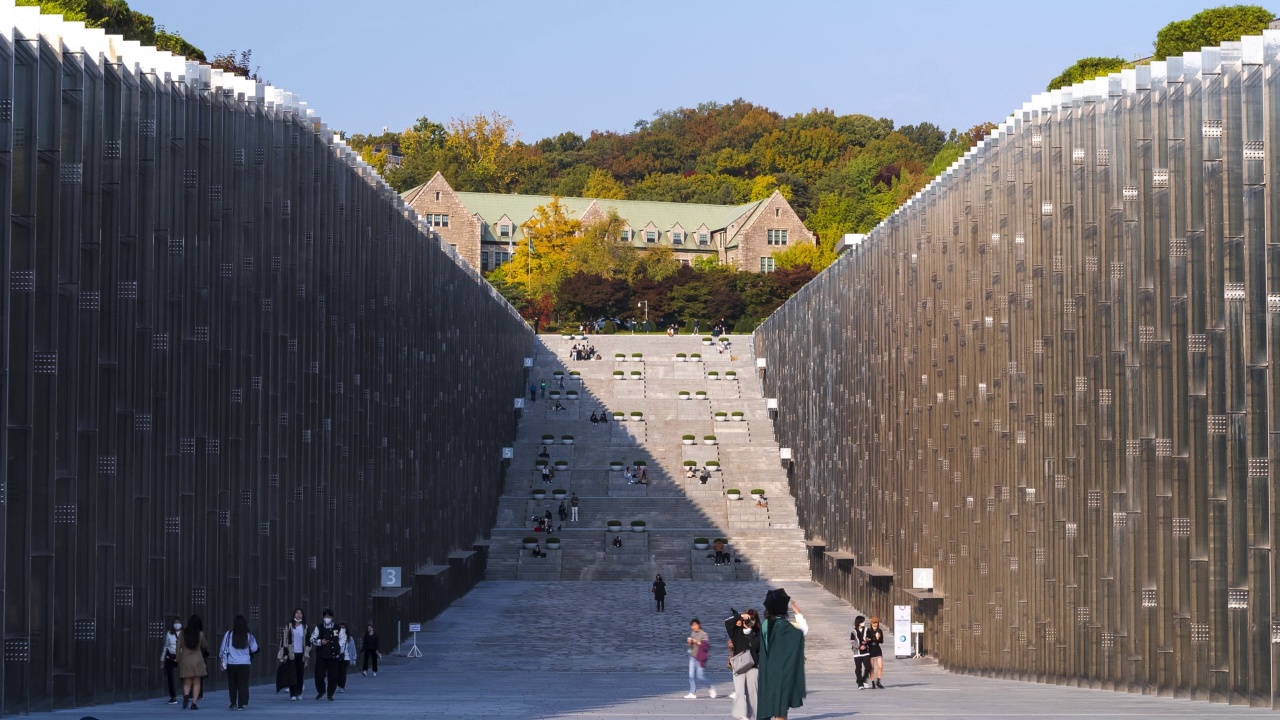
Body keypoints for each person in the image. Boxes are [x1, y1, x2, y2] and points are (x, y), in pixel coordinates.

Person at [757, 589, 807, 719]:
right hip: (781, 673)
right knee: (780, 709)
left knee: (771, 705)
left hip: (767, 672)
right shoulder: (782, 625)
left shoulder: (765, 623)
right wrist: (798, 614)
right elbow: (801, 632)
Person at [726, 608, 761, 720]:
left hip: (752, 665)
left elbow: (757, 646)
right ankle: (742, 715)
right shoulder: (736, 631)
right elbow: (727, 623)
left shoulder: (757, 632)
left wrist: (749, 632)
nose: (749, 620)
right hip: (739, 664)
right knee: (739, 691)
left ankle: (754, 716)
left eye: (752, 618)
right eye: (748, 618)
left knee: (752, 693)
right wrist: (740, 616)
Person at [219, 615, 259, 710]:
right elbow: (255, 649)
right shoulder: (249, 636)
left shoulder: (229, 634)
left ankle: (233, 703)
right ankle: (241, 704)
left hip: (231, 663)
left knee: (232, 683)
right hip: (244, 663)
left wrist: (222, 657)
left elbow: (223, 648)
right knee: (243, 683)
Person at [310, 609, 346, 701]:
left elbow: (343, 639)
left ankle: (330, 694)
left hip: (333, 656)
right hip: (321, 656)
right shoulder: (319, 627)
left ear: (332, 618)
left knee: (333, 676)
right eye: (325, 617)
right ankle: (321, 690)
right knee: (319, 675)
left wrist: (340, 649)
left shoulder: (338, 628)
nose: (327, 618)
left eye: (329, 617)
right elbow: (312, 639)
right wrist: (320, 642)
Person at [177, 614, 208, 710]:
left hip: (185, 660)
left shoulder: (182, 633)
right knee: (197, 682)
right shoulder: (200, 634)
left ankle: (186, 695)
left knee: (187, 682)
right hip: (197, 660)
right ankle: (194, 703)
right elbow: (205, 645)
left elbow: (178, 648)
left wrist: (178, 659)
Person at [280, 608, 310, 701]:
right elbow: (284, 639)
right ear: (294, 615)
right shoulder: (289, 626)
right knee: (292, 674)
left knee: (300, 674)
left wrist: (307, 652)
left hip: (301, 654)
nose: (299, 615)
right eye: (297, 613)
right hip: (291, 653)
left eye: (300, 613)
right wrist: (283, 653)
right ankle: (293, 694)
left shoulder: (305, 627)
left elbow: (308, 641)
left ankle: (299, 692)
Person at [684, 618, 715, 699]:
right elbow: (690, 648)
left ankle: (710, 687)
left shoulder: (704, 634)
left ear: (699, 625)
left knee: (700, 676)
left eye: (695, 625)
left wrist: (696, 642)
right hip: (692, 656)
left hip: (700, 658)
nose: (693, 627)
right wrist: (690, 643)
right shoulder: (692, 633)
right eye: (692, 625)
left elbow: (706, 646)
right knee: (691, 675)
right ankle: (692, 692)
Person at [162, 618, 182, 704]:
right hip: (170, 657)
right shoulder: (169, 634)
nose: (176, 624)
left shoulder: (184, 633)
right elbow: (165, 646)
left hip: (181, 657)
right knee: (170, 677)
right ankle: (173, 697)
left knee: (186, 676)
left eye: (178, 623)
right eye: (175, 623)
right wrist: (162, 659)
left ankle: (188, 694)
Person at [851, 615, 871, 690]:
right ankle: (860, 683)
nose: (863, 623)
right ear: (858, 622)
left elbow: (869, 638)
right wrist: (859, 646)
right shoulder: (853, 631)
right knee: (858, 668)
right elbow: (852, 642)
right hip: (857, 653)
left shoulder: (866, 630)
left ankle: (863, 679)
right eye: (862, 621)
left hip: (865, 652)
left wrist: (867, 642)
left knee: (868, 667)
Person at [866, 615, 885, 689]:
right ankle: (873, 682)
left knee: (880, 666)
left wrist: (879, 638)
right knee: (872, 667)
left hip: (877, 649)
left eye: (876, 623)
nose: (875, 624)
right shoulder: (868, 631)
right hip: (871, 649)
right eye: (874, 623)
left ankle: (878, 681)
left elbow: (881, 641)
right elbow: (867, 640)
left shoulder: (879, 631)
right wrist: (874, 637)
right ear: (871, 623)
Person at [337, 623, 356, 693]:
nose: (342, 629)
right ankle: (339, 684)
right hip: (337, 658)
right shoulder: (336, 637)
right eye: (341, 628)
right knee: (336, 672)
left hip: (346, 658)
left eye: (344, 628)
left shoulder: (350, 638)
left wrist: (354, 659)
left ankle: (342, 686)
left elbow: (353, 649)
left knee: (343, 673)